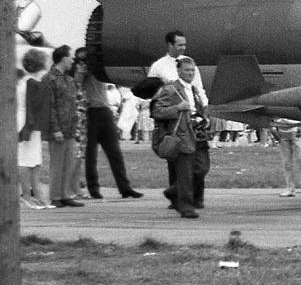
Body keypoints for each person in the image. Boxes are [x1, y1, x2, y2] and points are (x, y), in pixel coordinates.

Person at [77, 47, 143, 200]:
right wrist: (82, 67)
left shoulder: (99, 72)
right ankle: (94, 189)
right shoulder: (82, 72)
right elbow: (77, 83)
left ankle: (125, 188)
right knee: (91, 154)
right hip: (91, 111)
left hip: (104, 111)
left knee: (115, 153)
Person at [151, 56, 210, 219]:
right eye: (187, 70)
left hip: (197, 133)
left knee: (202, 168)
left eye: (192, 70)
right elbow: (156, 111)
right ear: (179, 71)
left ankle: (173, 191)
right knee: (185, 173)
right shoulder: (170, 89)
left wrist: (204, 118)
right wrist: (178, 108)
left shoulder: (194, 89)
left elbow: (197, 109)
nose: (190, 73)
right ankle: (185, 207)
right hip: (181, 135)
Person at [39, 45, 84, 208]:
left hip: (70, 128)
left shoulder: (69, 79)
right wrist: (55, 128)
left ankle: (66, 194)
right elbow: (49, 106)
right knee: (57, 164)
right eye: (71, 57)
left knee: (68, 163)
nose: (73, 61)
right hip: (57, 129)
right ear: (64, 59)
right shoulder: (49, 79)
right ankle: (56, 196)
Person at [17, 48, 50, 209]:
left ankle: (38, 195)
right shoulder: (30, 83)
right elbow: (30, 106)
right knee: (24, 160)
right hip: (25, 121)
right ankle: (27, 196)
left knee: (35, 161)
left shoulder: (32, 82)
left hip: (32, 122)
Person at [270, 118, 301, 197]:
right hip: (281, 131)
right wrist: (272, 130)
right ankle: (290, 188)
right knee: (286, 162)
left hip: (295, 130)